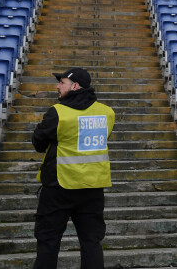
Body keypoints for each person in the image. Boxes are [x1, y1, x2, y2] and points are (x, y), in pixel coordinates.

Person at [32, 67, 115, 269]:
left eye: (62, 83)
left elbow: (38, 143)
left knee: (48, 243)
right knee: (91, 243)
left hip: (59, 187)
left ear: (75, 86)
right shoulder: (107, 113)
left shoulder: (57, 113)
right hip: (92, 188)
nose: (57, 86)